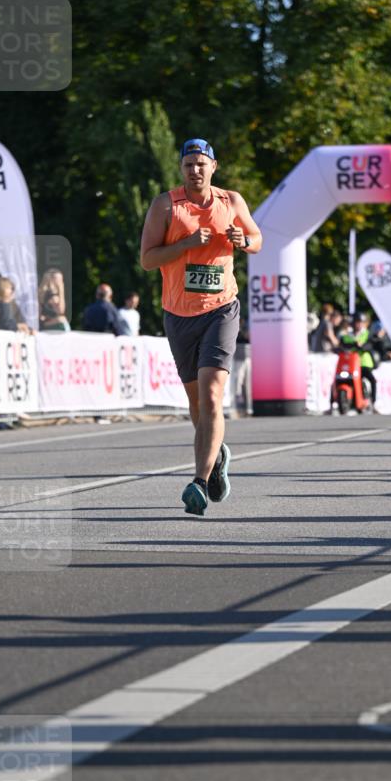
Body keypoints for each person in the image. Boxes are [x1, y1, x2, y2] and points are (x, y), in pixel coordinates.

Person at [140, 136, 262, 516]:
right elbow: (148, 259)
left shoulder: (231, 202)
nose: (195, 170)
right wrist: (188, 243)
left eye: (201, 164)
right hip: (179, 314)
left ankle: (198, 481)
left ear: (214, 167)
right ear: (182, 169)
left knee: (212, 397)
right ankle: (217, 453)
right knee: (197, 405)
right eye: (188, 164)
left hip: (221, 308)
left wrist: (244, 241)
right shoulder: (166, 205)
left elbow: (257, 238)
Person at [339, 312, 378, 410]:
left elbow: (371, 344)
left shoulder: (367, 334)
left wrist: (363, 346)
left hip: (364, 363)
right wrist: (353, 345)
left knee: (372, 380)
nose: (359, 325)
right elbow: (343, 344)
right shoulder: (348, 335)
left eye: (361, 322)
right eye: (357, 322)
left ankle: (373, 401)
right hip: (351, 364)